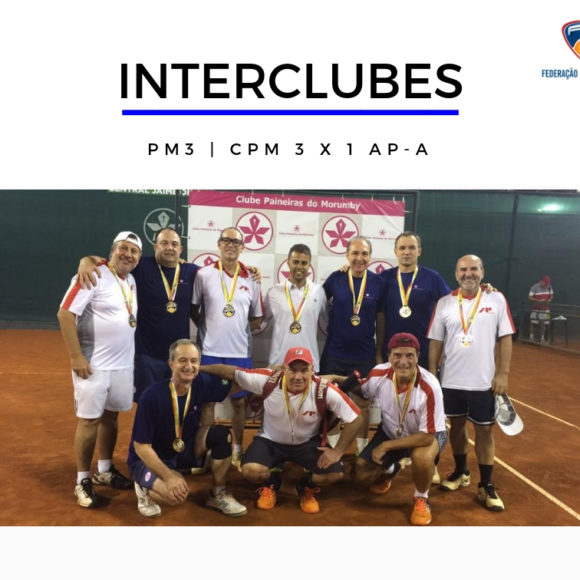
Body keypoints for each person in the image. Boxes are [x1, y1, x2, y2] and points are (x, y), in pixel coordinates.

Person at [200, 346, 361, 514]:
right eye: (293, 370)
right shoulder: (268, 380)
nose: (298, 376)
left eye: (304, 370)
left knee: (334, 474)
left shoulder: (324, 389)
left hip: (307, 442)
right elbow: (232, 372)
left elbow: (356, 418)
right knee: (251, 471)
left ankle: (305, 486)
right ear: (284, 368)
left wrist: (338, 451)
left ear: (312, 370)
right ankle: (271, 482)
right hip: (270, 441)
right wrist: (200, 368)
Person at [57, 231, 142, 508]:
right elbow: (65, 313)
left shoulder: (130, 280)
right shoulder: (93, 274)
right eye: (123, 248)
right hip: (93, 365)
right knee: (89, 420)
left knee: (111, 416)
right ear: (112, 250)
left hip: (122, 365)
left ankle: (104, 470)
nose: (128, 254)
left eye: (134, 251)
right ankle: (82, 479)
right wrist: (76, 356)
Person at [427, 254, 515, 511]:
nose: (469, 273)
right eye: (463, 269)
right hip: (451, 380)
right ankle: (461, 472)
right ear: (456, 274)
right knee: (455, 427)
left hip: (483, 382)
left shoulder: (496, 299)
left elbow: (506, 338)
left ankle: (486, 485)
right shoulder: (444, 303)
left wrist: (503, 373)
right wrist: (432, 373)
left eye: (474, 269)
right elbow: (435, 341)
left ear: (482, 272)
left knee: (484, 431)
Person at [77, 227, 199, 403]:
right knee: (147, 403)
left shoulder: (192, 271)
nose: (169, 248)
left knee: (175, 404)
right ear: (155, 246)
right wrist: (86, 261)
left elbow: (216, 276)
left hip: (178, 357)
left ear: (180, 249)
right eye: (164, 243)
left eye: (174, 244)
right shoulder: (140, 266)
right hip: (145, 356)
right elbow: (109, 263)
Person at [127, 339, 247, 518]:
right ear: (171, 364)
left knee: (222, 435)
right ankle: (143, 487)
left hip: (183, 450)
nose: (189, 366)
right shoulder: (151, 396)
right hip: (149, 458)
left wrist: (202, 369)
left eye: (194, 361)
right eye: (183, 360)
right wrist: (169, 476)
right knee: (175, 496)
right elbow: (141, 447)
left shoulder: (200, 383)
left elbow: (239, 379)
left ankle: (218, 494)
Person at [346, 333, 447, 526]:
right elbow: (363, 390)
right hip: (390, 432)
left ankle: (421, 497)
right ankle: (392, 468)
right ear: (389, 356)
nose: (403, 362)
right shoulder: (379, 374)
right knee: (360, 475)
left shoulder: (430, 386)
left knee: (422, 458)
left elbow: (427, 437)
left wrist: (386, 446)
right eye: (397, 355)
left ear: (418, 356)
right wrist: (337, 380)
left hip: (425, 436)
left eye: (409, 355)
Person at [191, 227, 264, 471]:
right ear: (219, 244)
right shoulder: (204, 274)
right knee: (207, 404)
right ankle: (204, 451)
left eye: (236, 241)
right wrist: (209, 328)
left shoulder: (252, 278)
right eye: (226, 240)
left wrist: (238, 330)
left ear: (243, 247)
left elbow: (257, 317)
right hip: (210, 351)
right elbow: (194, 309)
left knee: (239, 404)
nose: (231, 244)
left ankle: (237, 451)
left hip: (240, 353)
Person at [320, 236, 386, 454]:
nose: (359, 258)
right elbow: (315, 304)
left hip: (364, 355)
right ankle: (331, 450)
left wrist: (378, 354)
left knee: (362, 403)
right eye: (355, 253)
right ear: (347, 255)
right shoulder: (336, 279)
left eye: (364, 254)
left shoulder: (378, 283)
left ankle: (361, 451)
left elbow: (381, 319)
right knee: (330, 402)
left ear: (370, 257)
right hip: (334, 353)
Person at [380, 232, 451, 369]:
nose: (407, 252)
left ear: (419, 251)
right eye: (402, 248)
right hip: (391, 351)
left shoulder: (432, 278)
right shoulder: (384, 278)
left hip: (423, 352)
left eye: (412, 247)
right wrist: (347, 271)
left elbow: (454, 303)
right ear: (395, 252)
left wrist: (482, 290)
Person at [263, 243, 328, 371]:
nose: (299, 267)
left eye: (304, 263)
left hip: (309, 364)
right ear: (288, 263)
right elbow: (259, 322)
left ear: (309, 265)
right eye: (295, 262)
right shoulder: (273, 292)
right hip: (279, 363)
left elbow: (329, 320)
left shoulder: (319, 291)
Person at [528, 275, 553, 343]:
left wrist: (550, 299)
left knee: (545, 323)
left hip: (546, 308)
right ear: (542, 281)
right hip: (536, 308)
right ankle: (531, 337)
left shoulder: (549, 287)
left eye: (547, 284)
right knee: (533, 322)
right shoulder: (534, 287)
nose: (546, 285)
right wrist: (538, 300)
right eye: (545, 283)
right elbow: (529, 297)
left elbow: (551, 295)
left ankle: (542, 339)